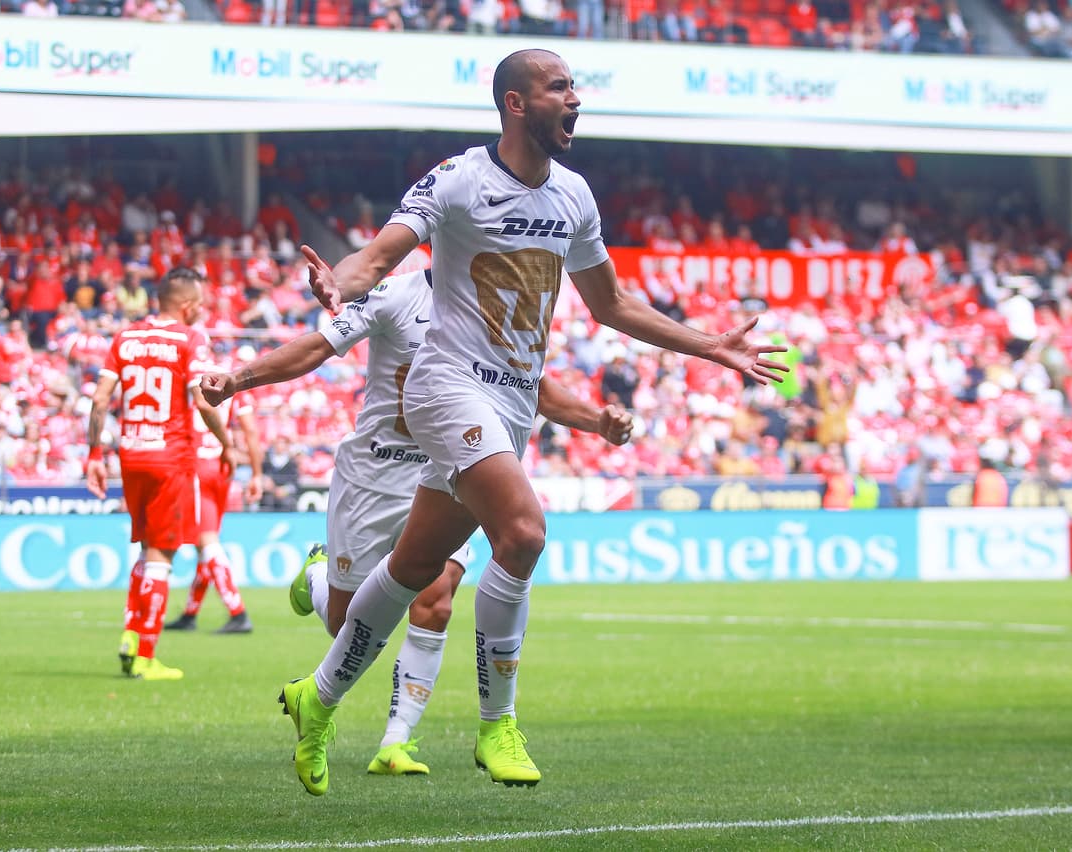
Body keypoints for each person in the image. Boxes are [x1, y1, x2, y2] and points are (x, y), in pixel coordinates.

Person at [273, 48, 788, 795]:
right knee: (523, 533)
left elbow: (611, 305)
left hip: (511, 403)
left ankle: (315, 699)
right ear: (516, 104)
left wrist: (710, 345)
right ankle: (496, 726)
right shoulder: (458, 180)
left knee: (417, 569)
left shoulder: (575, 197)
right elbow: (378, 256)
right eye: (559, 88)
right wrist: (338, 280)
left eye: (574, 86)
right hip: (446, 387)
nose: (575, 99)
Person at [203, 266, 633, 776]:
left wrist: (594, 422)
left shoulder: (497, 303)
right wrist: (239, 380)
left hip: (451, 462)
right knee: (348, 627)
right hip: (375, 473)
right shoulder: (397, 294)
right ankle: (318, 578)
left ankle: (396, 742)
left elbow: (530, 385)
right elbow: (318, 346)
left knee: (437, 598)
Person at [85, 268, 234, 681]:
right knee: (161, 555)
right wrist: (227, 444)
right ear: (187, 306)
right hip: (171, 457)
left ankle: (132, 634)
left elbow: (99, 401)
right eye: (200, 304)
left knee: (145, 548)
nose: (201, 311)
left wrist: (94, 454)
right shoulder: (191, 338)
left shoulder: (125, 337)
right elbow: (204, 403)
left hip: (131, 455)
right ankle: (145, 654)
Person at [163, 372, 264, 635]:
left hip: (197, 464)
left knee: (206, 541)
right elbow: (251, 431)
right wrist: (256, 474)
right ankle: (190, 613)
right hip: (223, 468)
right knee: (203, 543)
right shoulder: (234, 387)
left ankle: (238, 612)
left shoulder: (191, 382)